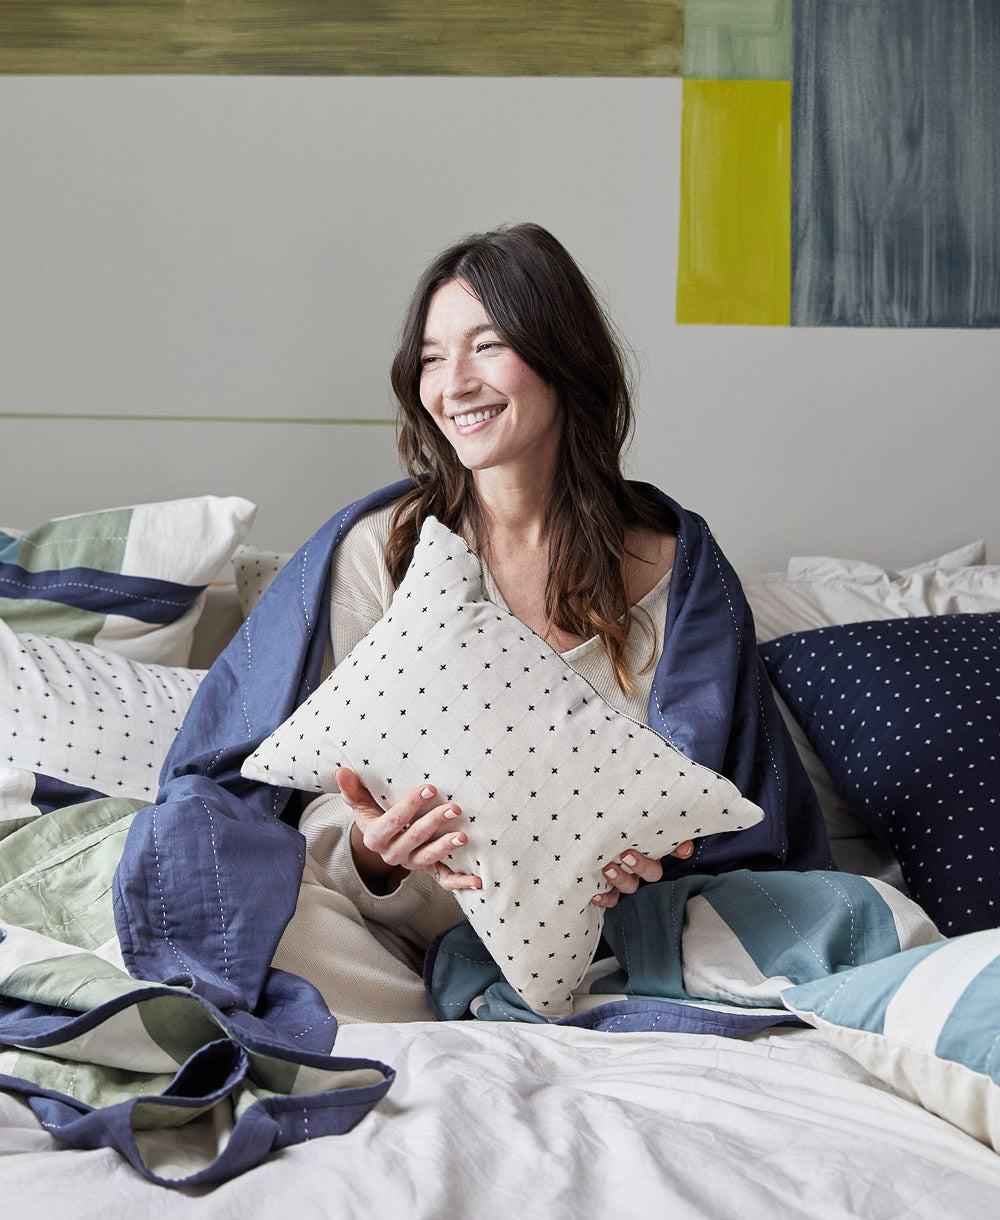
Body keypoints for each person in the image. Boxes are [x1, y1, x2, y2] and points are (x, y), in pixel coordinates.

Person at [271, 223, 832, 1022]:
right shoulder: (384, 552)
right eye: (431, 358)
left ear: (563, 357)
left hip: (617, 942)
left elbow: (729, 811)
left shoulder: (681, 573)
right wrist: (375, 851)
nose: (452, 384)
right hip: (398, 941)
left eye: (486, 346)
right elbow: (321, 798)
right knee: (247, 909)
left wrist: (655, 860)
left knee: (862, 926)